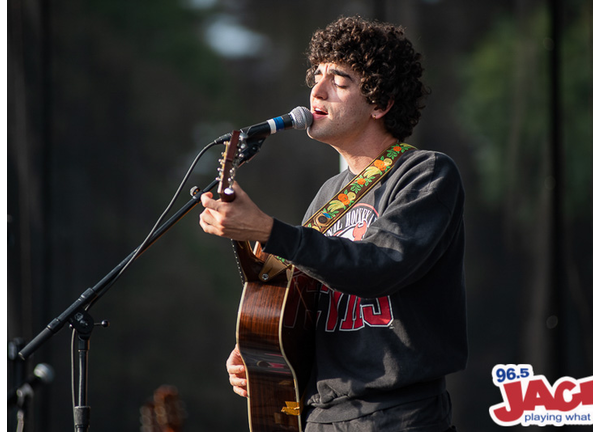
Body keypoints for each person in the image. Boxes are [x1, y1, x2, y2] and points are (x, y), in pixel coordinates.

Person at [199, 16, 467, 432]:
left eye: (339, 82)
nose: (316, 92)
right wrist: (261, 351)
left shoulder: (426, 174)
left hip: (399, 415)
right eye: (317, 75)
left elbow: (379, 266)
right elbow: (306, 304)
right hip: (322, 416)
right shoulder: (329, 195)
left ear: (380, 103)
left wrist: (269, 231)